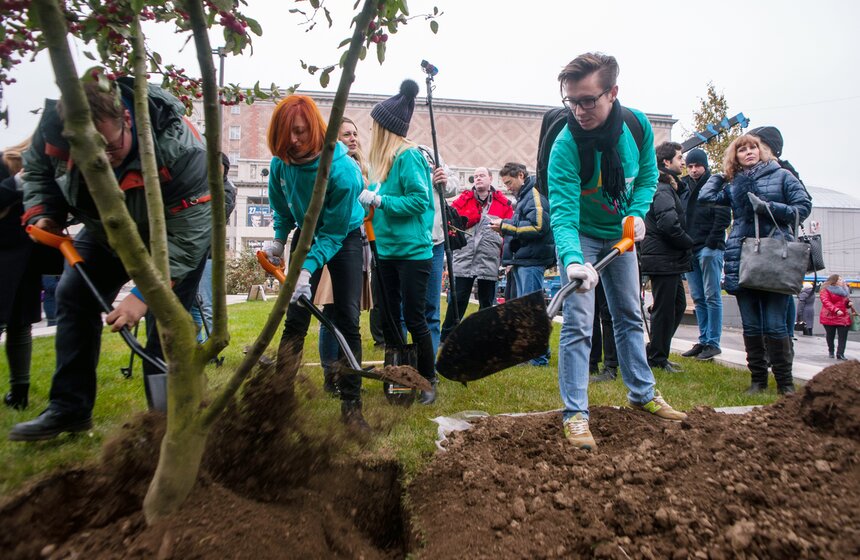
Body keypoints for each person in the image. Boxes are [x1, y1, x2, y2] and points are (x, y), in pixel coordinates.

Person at [10, 78, 212, 441]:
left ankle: (167, 425)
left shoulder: (180, 148)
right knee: (74, 294)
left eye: (108, 145)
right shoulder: (57, 125)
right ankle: (69, 410)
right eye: (88, 150)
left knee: (166, 326)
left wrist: (143, 297)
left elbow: (189, 234)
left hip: (172, 233)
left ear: (127, 118)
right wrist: (46, 213)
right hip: (108, 227)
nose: (101, 157)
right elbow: (37, 171)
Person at [548, 52, 687, 450]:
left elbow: (646, 176)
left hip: (621, 234)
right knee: (578, 322)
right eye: (571, 100)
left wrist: (637, 214)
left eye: (588, 100)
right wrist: (574, 261)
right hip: (582, 235)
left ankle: (643, 394)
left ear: (613, 92)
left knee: (628, 314)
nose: (579, 110)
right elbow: (562, 213)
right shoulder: (565, 146)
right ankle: (575, 413)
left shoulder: (636, 126)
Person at [264, 95, 368, 428]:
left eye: (299, 132)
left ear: (316, 130)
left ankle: (351, 407)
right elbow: (283, 209)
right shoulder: (281, 162)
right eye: (286, 134)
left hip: (345, 236)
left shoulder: (342, 172)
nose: (292, 141)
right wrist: (279, 242)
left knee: (347, 319)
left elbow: (333, 236)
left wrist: (306, 269)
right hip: (306, 236)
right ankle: (279, 398)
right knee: (294, 319)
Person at [698, 134, 811, 395]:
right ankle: (758, 380)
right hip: (742, 257)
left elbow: (802, 207)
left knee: (775, 325)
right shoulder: (735, 183)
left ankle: (785, 383)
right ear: (735, 156)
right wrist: (721, 175)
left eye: (753, 148)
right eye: (742, 150)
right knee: (751, 325)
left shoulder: (782, 176)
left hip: (774, 258)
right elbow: (707, 198)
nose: (749, 152)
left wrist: (769, 207)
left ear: (761, 151)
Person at [360, 79, 437, 404]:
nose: (372, 130)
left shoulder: (408, 157)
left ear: (386, 128)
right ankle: (400, 378)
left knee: (416, 318)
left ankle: (428, 381)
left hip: (413, 253)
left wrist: (381, 203)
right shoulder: (381, 164)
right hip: (386, 251)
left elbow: (420, 201)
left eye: (376, 125)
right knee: (391, 317)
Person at [1, 140, 62, 410]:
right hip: (9, 256)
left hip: (24, 257)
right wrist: (14, 183)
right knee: (15, 323)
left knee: (20, 324)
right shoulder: (8, 166)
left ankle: (19, 391)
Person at [316, 117, 374, 396]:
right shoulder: (329, 167)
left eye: (355, 133)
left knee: (348, 313)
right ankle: (331, 374)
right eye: (346, 134)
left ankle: (348, 373)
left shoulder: (362, 169)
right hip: (332, 241)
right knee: (331, 310)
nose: (352, 138)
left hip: (356, 242)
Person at [491, 161, 555, 366]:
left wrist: (505, 225)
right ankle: (532, 354)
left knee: (532, 309)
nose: (507, 188)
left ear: (521, 175)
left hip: (532, 260)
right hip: (525, 259)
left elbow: (539, 227)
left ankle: (539, 357)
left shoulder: (534, 194)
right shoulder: (524, 197)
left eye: (509, 183)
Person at [440, 167, 513, 341]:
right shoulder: (461, 201)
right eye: (476, 176)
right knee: (458, 299)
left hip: (489, 258)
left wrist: (507, 259)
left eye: (482, 175)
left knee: (487, 302)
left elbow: (509, 232)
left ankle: (484, 338)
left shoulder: (503, 204)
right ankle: (447, 337)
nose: (478, 178)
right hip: (465, 258)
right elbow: (450, 224)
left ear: (490, 179)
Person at [641, 146, 694, 373]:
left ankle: (657, 350)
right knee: (665, 308)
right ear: (666, 162)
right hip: (663, 258)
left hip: (666, 257)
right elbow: (668, 224)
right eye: (680, 158)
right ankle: (657, 357)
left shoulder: (667, 188)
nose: (683, 162)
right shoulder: (663, 189)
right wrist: (689, 242)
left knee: (677, 305)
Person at [680, 148, 731, 361]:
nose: (693, 170)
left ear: (705, 166)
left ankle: (713, 342)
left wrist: (711, 242)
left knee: (712, 296)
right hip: (691, 247)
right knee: (699, 298)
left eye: (697, 166)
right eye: (690, 166)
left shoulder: (715, 185)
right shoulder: (684, 187)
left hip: (709, 247)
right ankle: (703, 340)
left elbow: (723, 217)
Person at [191, 152, 236, 344]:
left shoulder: (226, 190)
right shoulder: (199, 184)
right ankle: (196, 344)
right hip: (192, 251)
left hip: (209, 253)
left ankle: (211, 346)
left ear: (225, 169)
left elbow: (214, 215)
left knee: (207, 303)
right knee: (193, 304)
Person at [588, 280, 618, 382]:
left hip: (606, 267)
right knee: (591, 313)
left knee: (607, 314)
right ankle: (592, 363)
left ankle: (611, 366)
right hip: (592, 267)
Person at [819, 274, 853, 360]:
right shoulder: (825, 289)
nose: (842, 281)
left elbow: (845, 301)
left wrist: (848, 304)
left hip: (843, 316)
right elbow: (826, 302)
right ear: (835, 281)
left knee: (843, 336)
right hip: (829, 316)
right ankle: (831, 350)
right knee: (830, 335)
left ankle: (840, 353)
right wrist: (836, 310)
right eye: (840, 280)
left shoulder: (845, 290)